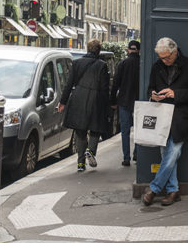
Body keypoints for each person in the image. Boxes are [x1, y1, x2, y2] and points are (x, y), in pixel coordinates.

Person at [142, 37, 188, 207]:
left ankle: (154, 188)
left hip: (180, 117)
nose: (164, 61)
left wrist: (175, 94)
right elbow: (150, 87)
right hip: (161, 117)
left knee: (172, 154)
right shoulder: (157, 66)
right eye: (161, 58)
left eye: (167, 57)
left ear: (175, 51)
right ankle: (173, 190)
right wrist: (152, 95)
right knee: (166, 155)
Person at [58, 39, 111, 172]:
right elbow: (105, 88)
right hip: (96, 99)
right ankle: (91, 151)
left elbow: (68, 84)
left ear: (87, 49)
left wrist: (63, 102)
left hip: (78, 98)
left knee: (80, 131)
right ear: (98, 50)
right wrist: (108, 106)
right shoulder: (102, 65)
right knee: (96, 128)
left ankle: (80, 164)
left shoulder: (76, 63)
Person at [111, 40, 140, 167]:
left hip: (124, 100)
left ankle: (126, 157)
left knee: (125, 130)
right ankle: (137, 153)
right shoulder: (142, 63)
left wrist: (112, 100)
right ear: (139, 50)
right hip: (140, 101)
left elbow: (115, 83)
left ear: (128, 50)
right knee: (139, 129)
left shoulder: (123, 63)